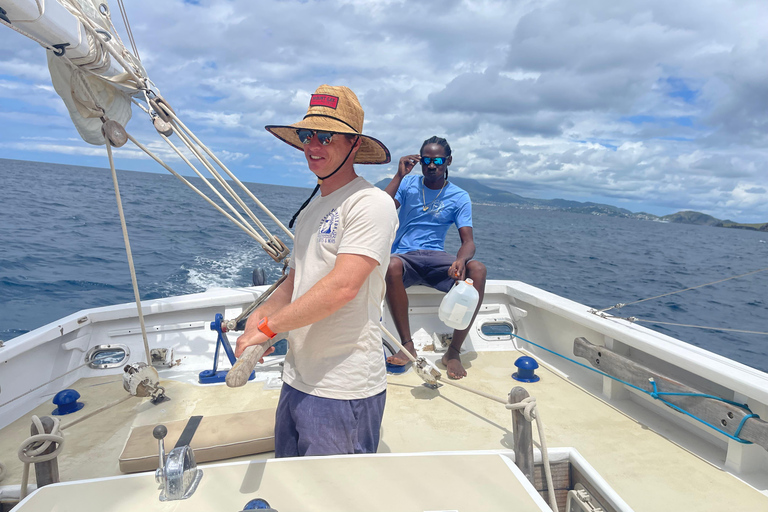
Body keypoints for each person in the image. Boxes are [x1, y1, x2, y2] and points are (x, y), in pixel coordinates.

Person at [235, 85, 398, 458]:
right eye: (308, 135)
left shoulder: (371, 203)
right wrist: (259, 317)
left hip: (343, 388)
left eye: (326, 136)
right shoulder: (312, 211)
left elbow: (342, 287)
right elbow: (295, 281)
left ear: (355, 145)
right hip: (297, 378)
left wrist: (268, 330)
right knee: (293, 487)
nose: (313, 145)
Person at [383, 136, 486, 380]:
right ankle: (407, 344)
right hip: (406, 257)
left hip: (437, 258)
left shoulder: (459, 196)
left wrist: (460, 262)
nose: (431, 165)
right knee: (390, 263)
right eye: (426, 160)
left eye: (438, 160)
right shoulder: (408, 185)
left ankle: (453, 352)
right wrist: (399, 176)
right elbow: (380, 207)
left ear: (448, 161)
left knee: (478, 270)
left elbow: (468, 241)